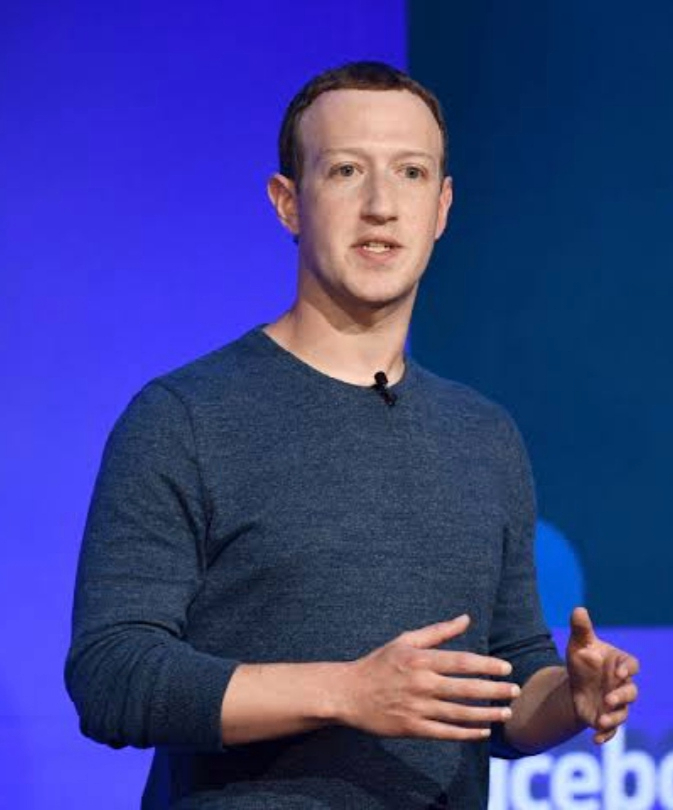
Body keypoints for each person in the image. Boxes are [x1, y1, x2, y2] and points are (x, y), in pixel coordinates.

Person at [65, 61, 639, 809]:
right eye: (344, 170)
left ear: (441, 206)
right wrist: (344, 691)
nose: (379, 206)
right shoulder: (183, 416)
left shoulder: (483, 435)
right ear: (287, 203)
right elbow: (113, 676)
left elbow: (502, 688)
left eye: (408, 173)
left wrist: (568, 696)